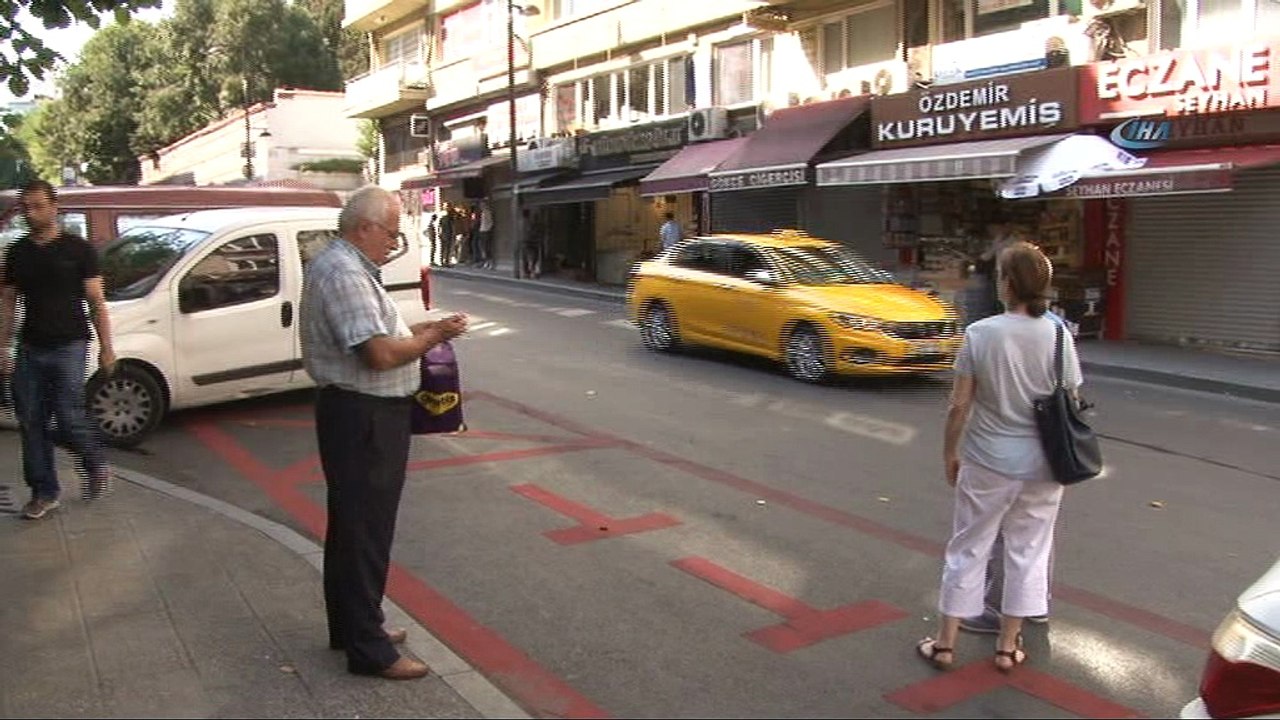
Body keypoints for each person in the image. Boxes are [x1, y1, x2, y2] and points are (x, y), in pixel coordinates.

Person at [299, 185, 469, 680]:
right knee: (365, 530)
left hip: (360, 412)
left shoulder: (346, 266)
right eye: (391, 235)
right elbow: (378, 354)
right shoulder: (345, 273)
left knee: (353, 528)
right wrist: (433, 336)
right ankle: (368, 648)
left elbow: (380, 334)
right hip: (364, 415)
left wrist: (420, 329)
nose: (393, 245)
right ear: (365, 227)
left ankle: (354, 624)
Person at [918, 241, 1081, 673]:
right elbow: (1072, 398)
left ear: (1006, 284)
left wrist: (949, 452)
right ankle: (1008, 648)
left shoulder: (981, 333)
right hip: (1047, 463)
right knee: (1028, 552)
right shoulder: (1060, 335)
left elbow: (959, 406)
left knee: (968, 547)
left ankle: (945, 644)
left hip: (987, 459)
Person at [0, 179, 116, 520]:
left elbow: (96, 302)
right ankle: (44, 492)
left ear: (54, 207)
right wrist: (3, 346)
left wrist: (107, 348)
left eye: (38, 206)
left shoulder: (78, 250)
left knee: (67, 416)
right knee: (31, 420)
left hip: (71, 343)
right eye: (26, 208)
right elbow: (7, 302)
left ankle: (94, 462)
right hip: (31, 346)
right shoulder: (18, 252)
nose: (31, 214)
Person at [521, 208, 545, 279]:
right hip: (531, 241)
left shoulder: (520, 222)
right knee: (533, 257)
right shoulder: (530, 223)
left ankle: (526, 273)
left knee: (525, 257)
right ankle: (532, 272)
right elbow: (532, 232)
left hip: (523, 242)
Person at [477, 201, 495, 269]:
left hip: (485, 231)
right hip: (482, 230)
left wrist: (488, 229)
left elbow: (490, 222)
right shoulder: (483, 213)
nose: (481, 207)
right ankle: (486, 262)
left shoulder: (487, 212)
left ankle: (489, 262)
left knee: (486, 248)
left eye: (482, 205)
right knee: (483, 248)